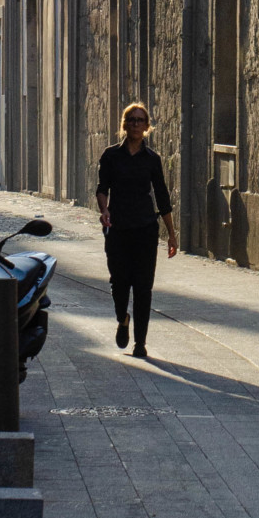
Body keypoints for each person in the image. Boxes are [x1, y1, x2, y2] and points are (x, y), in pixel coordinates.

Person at [96, 102, 177, 359]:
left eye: (140, 120)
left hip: (145, 229)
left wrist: (172, 234)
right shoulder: (111, 155)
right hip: (118, 227)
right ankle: (123, 318)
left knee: (143, 287)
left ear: (147, 126)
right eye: (131, 119)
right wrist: (104, 210)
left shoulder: (152, 159)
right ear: (124, 124)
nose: (135, 124)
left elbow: (162, 197)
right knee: (119, 283)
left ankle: (140, 342)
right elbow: (102, 188)